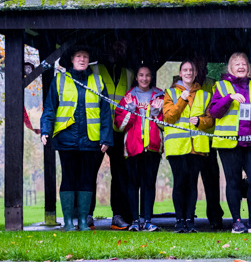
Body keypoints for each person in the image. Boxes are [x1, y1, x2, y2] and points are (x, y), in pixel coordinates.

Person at [39, 46, 113, 232]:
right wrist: (45, 130)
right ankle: (68, 222)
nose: (82, 59)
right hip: (66, 139)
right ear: (71, 59)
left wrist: (105, 138)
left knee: (87, 179)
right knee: (69, 178)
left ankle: (82, 220)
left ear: (89, 61)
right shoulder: (59, 80)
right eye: (79, 56)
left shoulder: (98, 81)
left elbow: (105, 114)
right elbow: (49, 108)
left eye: (85, 57)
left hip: (91, 141)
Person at [209, 52, 251, 234]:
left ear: (248, 68)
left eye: (244, 64)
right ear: (230, 68)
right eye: (236, 64)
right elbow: (214, 112)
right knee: (233, 182)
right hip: (229, 143)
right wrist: (229, 98)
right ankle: (237, 222)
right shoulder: (221, 86)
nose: (241, 67)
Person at [163, 60, 214, 234]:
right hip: (177, 146)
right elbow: (169, 117)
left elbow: (210, 120)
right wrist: (182, 100)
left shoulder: (204, 94)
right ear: (180, 72)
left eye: (191, 70)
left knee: (192, 183)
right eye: (185, 70)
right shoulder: (170, 93)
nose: (188, 73)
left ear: (195, 73)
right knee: (179, 182)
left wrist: (201, 121)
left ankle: (190, 221)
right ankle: (179, 221)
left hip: (197, 147)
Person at [115, 66, 165, 232]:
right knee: (133, 184)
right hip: (132, 147)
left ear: (151, 77)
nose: (144, 79)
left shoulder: (160, 96)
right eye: (141, 75)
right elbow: (120, 124)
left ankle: (148, 220)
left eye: (147, 75)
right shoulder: (128, 97)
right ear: (136, 77)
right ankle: (135, 221)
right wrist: (129, 113)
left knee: (149, 184)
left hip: (153, 147)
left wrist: (157, 115)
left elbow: (166, 125)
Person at [96, 39, 134, 230]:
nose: (118, 48)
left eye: (122, 46)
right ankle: (86, 215)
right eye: (115, 45)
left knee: (120, 175)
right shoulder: (95, 70)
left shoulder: (129, 73)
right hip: (98, 131)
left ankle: (118, 216)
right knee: (89, 173)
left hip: (120, 131)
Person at [193, 54, 225, 230]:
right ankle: (187, 216)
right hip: (188, 140)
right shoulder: (180, 84)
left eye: (202, 62)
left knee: (211, 180)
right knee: (188, 181)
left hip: (209, 139)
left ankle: (214, 215)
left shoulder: (212, 84)